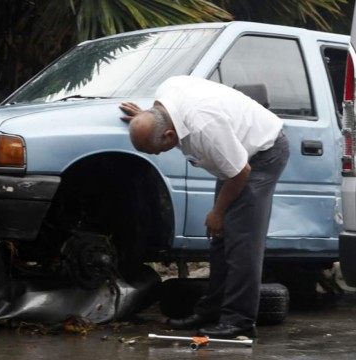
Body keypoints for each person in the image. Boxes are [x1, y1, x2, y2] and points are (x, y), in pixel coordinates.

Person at [119, 75, 289, 339]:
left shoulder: (205, 127)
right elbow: (160, 115)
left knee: (242, 242)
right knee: (220, 239)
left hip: (261, 155)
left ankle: (239, 322)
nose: (158, 155)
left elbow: (240, 172)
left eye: (158, 150)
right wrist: (144, 119)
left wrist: (217, 213)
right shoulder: (165, 97)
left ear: (169, 135)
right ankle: (212, 311)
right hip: (234, 155)